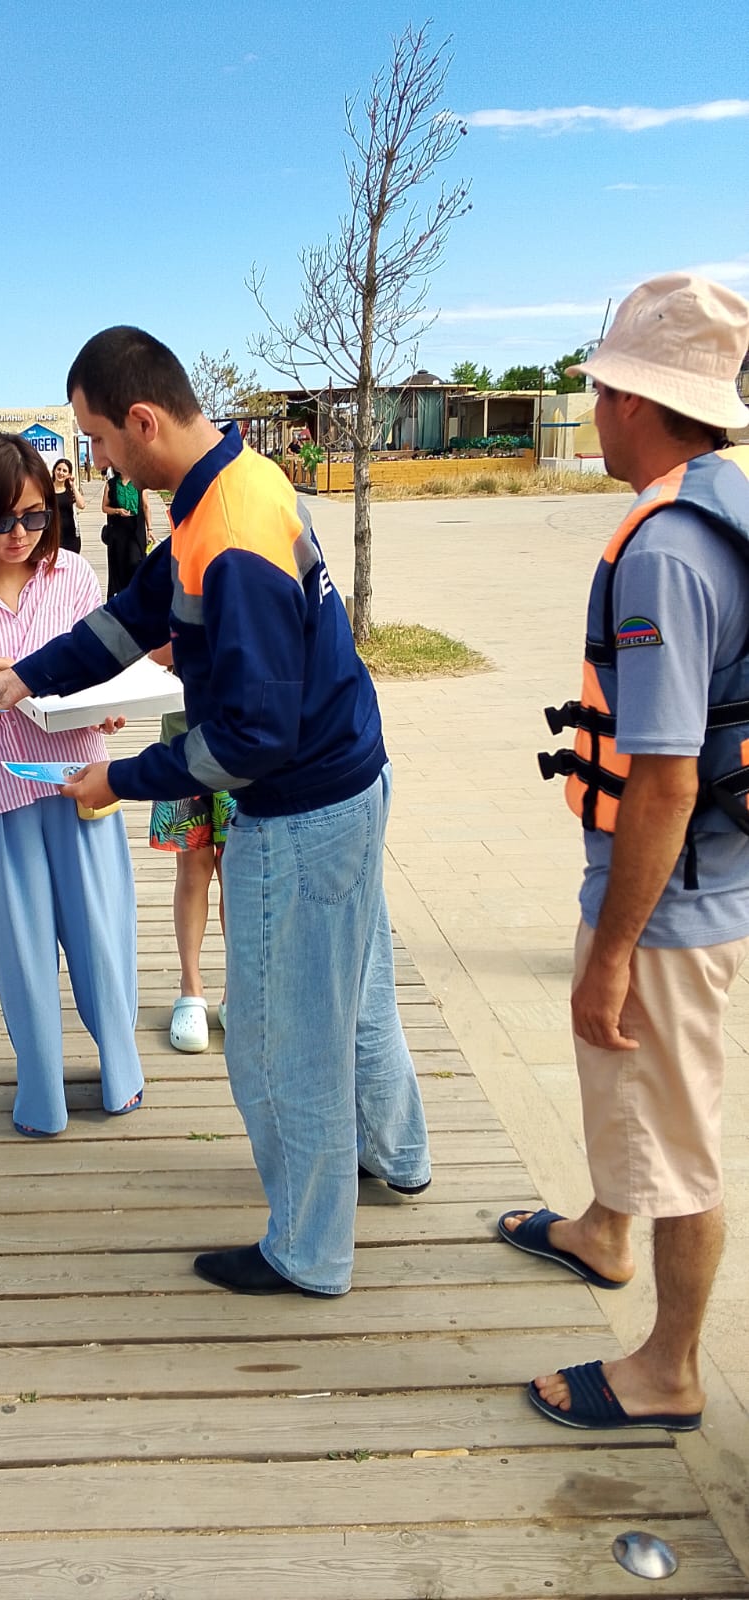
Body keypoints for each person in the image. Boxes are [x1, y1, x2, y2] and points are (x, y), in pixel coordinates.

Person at [0, 326, 430, 1296]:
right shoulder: (238, 482)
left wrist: (117, 781)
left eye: (96, 441)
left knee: (278, 1038)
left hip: (298, 812)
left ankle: (307, 1250)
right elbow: (134, 612)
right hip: (354, 773)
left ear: (140, 419)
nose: (97, 464)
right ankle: (397, 1153)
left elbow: (250, 740)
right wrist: (24, 677)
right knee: (364, 989)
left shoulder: (229, 535)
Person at [502, 272, 749, 1433]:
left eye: (599, 389)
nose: (594, 408)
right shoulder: (719, 498)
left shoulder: (663, 555)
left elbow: (662, 778)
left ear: (637, 403)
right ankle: (605, 1232)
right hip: (688, 880)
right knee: (635, 1096)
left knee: (683, 1134)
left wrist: (610, 951)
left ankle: (669, 1369)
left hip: (671, 897)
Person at [0, 432, 143, 1136]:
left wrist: (115, 696)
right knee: (21, 947)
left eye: (36, 517)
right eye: (3, 519)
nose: (20, 534)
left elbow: (105, 665)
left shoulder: (72, 575)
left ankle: (121, 1067)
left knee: (103, 933)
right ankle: (40, 1089)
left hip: (77, 777)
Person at [146, 646, 234, 1053]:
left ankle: (240, 989)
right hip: (182, 749)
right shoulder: (177, 583)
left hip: (242, 750)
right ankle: (191, 986)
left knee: (237, 874)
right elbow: (154, 651)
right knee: (194, 871)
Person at [101, 462, 151, 598]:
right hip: (118, 530)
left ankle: (135, 592)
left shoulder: (139, 483)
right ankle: (122, 596)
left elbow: (146, 506)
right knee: (119, 564)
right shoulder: (111, 484)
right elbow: (104, 507)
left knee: (135, 561)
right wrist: (117, 510)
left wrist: (150, 529)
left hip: (136, 529)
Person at [51, 456, 86, 554]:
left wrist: (73, 486)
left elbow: (82, 505)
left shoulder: (70, 491)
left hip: (71, 536)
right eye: (59, 469)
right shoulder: (47, 490)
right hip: (53, 536)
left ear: (68, 474)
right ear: (54, 470)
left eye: (64, 471)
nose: (61, 473)